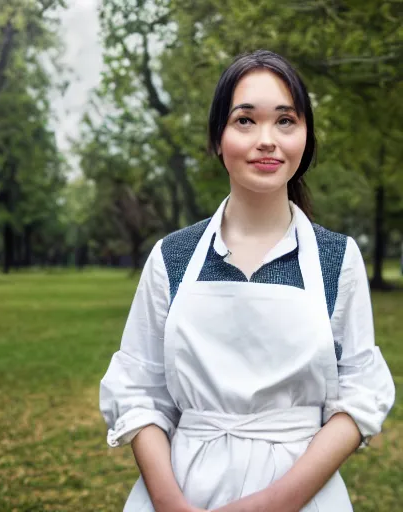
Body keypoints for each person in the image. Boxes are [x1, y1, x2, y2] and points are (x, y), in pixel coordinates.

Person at [99, 50, 396, 512]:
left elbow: (361, 396)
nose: (266, 140)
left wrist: (274, 503)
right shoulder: (172, 256)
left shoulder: (338, 259)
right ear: (217, 138)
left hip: (304, 496)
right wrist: (170, 502)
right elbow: (139, 391)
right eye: (245, 121)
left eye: (285, 121)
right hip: (181, 487)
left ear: (306, 138)